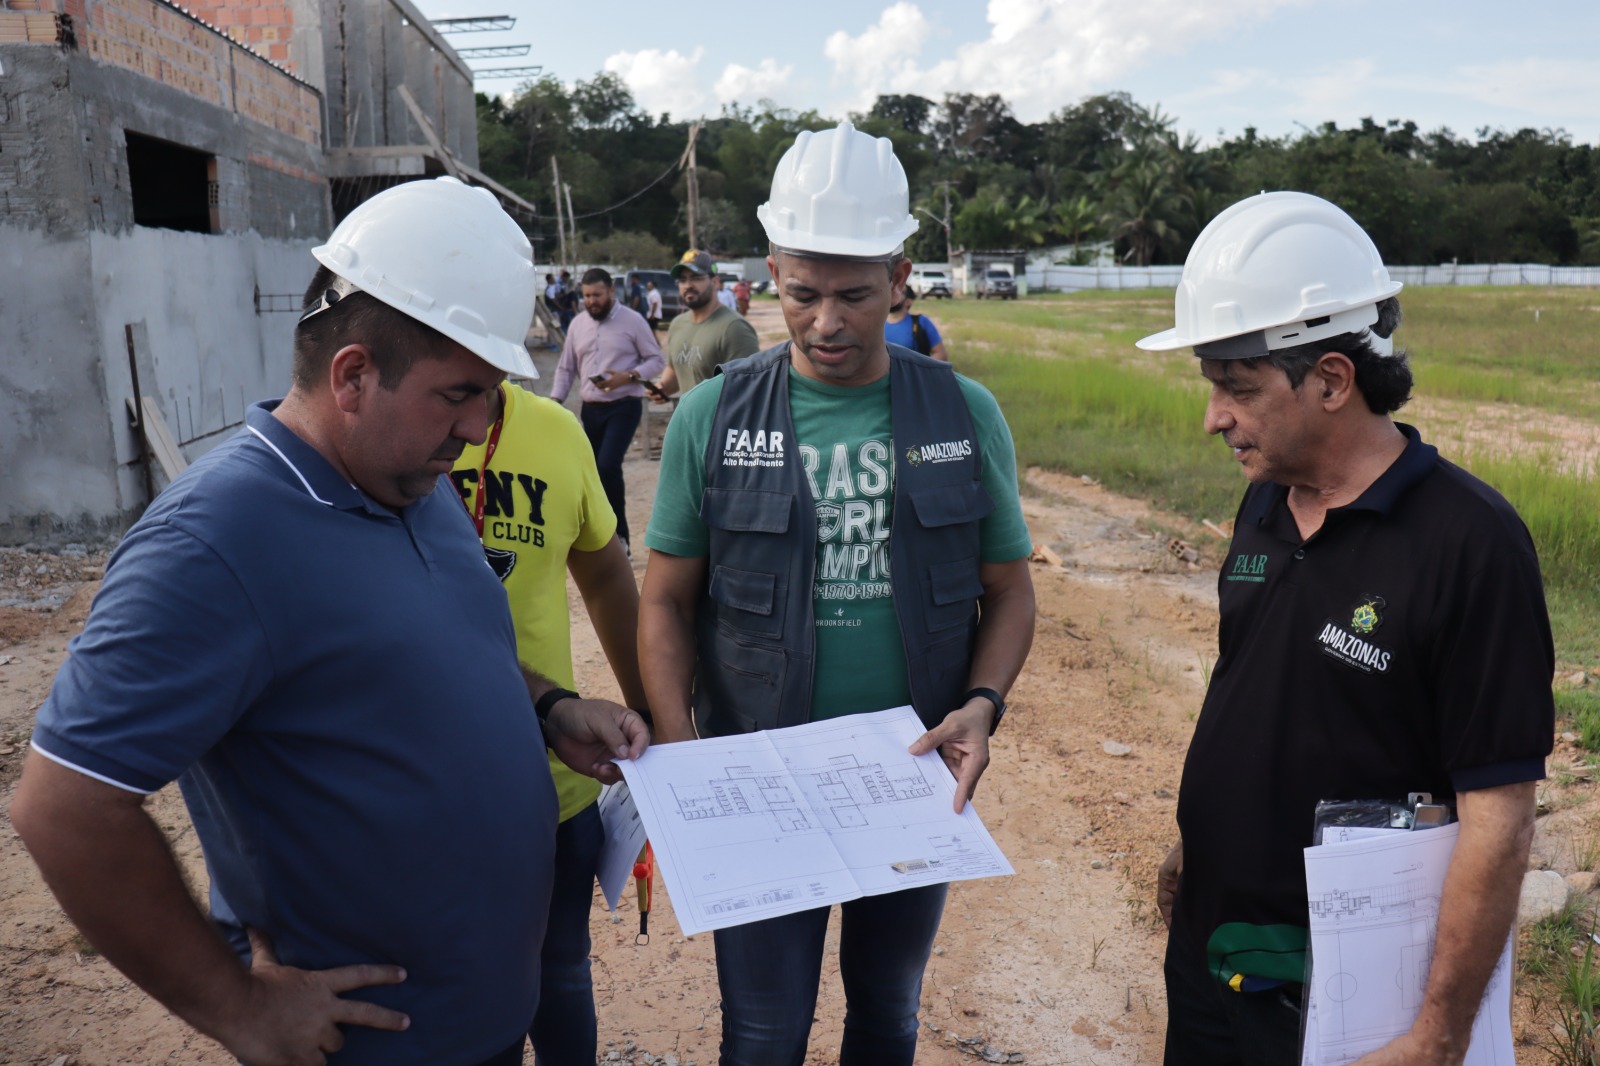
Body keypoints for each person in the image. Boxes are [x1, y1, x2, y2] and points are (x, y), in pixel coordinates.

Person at [9, 177, 649, 1066]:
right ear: (352, 375)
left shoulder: (410, 480)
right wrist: (236, 1005)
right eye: (459, 394)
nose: (478, 428)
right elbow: (63, 804)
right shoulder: (216, 541)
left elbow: (441, 659)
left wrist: (545, 708)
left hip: (487, 1018)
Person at [637, 121, 1037, 1066]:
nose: (825, 322)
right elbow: (662, 601)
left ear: (899, 279)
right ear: (770, 272)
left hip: (907, 777)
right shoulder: (713, 415)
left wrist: (980, 706)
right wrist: (686, 757)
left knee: (888, 1020)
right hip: (756, 772)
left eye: (855, 295)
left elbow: (1010, 592)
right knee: (764, 1032)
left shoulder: (961, 411)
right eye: (801, 293)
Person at [1137, 191, 1554, 1065]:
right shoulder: (1264, 506)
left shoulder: (1469, 543)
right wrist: (1196, 844)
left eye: (1236, 388)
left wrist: (1437, 1036)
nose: (1214, 417)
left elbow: (1499, 813)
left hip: (1341, 984)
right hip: (1211, 945)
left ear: (1331, 379)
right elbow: (1260, 692)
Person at [451, 379, 646, 1066]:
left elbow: (604, 577)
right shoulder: (376, 441)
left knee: (561, 967)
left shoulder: (557, 432)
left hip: (552, 779)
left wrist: (647, 711)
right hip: (426, 796)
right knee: (469, 998)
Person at [549, 266, 665, 554]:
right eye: (587, 296)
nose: (592, 301)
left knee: (607, 466)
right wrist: (554, 402)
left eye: (597, 295)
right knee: (593, 475)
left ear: (612, 291)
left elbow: (656, 361)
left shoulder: (633, 321)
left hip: (625, 406)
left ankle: (621, 538)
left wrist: (627, 376)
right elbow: (566, 368)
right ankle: (601, 539)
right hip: (591, 409)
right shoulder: (577, 325)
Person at [653, 248, 761, 402]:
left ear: (715, 282)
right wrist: (661, 388)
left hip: (720, 424)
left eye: (696, 278)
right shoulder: (678, 324)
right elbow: (677, 372)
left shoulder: (734, 328)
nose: (688, 285)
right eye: (682, 280)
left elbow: (749, 388)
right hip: (686, 423)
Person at [885, 286, 947, 361]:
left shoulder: (921, 322)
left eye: (899, 292)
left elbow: (941, 354)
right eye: (891, 291)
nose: (893, 294)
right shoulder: (875, 324)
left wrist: (920, 369)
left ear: (908, 301)